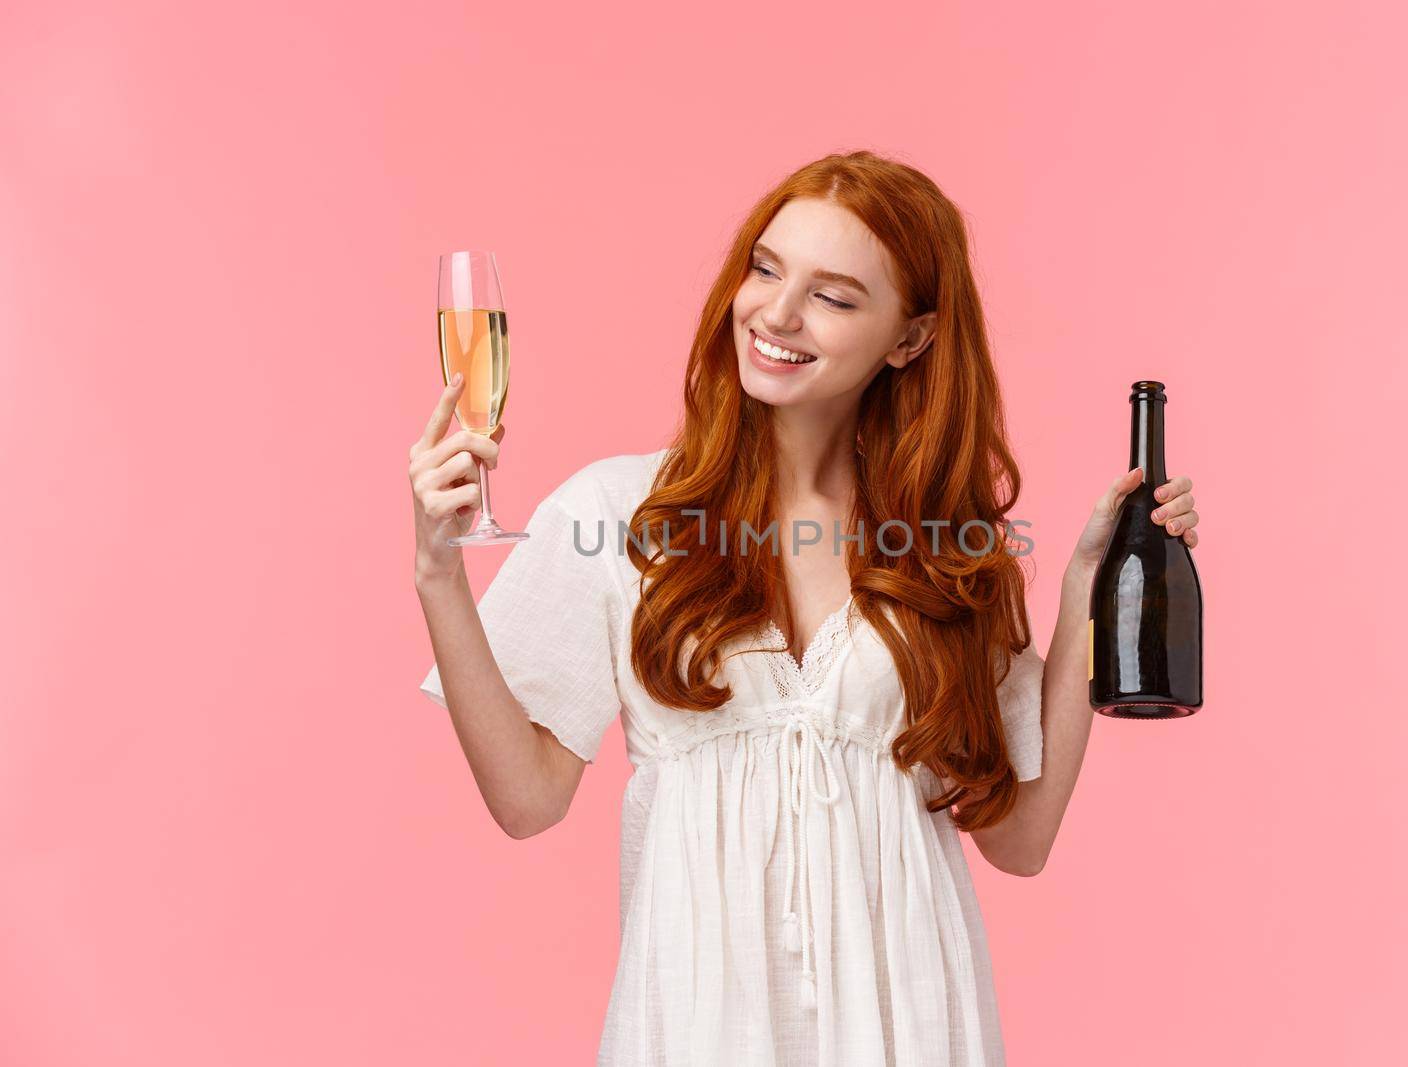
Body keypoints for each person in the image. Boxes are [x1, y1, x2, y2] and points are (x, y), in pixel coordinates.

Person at [409, 150, 1202, 1065]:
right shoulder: (619, 514)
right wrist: (437, 574)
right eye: (766, 267)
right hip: (699, 1027)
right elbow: (526, 798)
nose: (776, 314)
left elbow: (1020, 839)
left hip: (910, 1025)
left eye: (833, 296)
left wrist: (1084, 591)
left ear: (910, 337)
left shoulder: (941, 553)